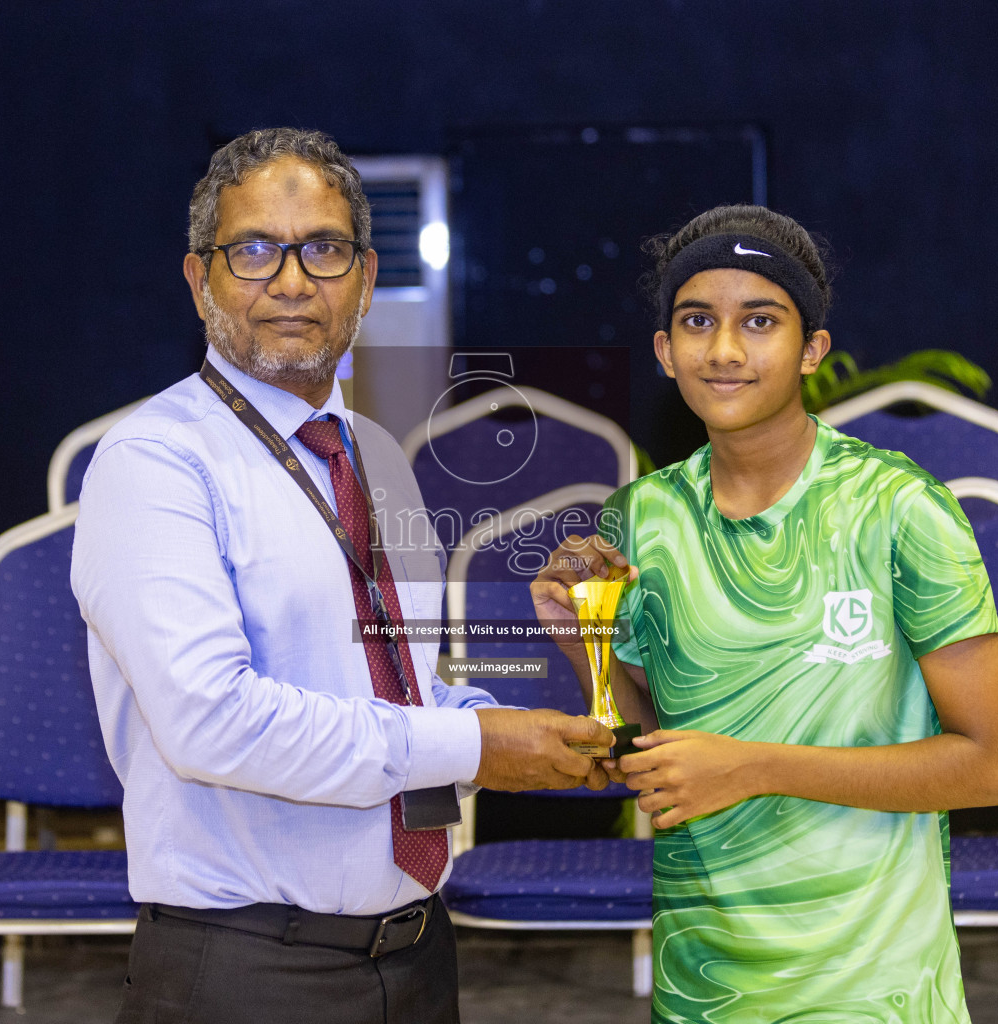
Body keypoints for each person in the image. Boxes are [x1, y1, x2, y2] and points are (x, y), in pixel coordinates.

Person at [72, 127, 613, 1024]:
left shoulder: (376, 457)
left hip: (415, 955)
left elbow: (404, 685)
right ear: (199, 280)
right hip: (245, 968)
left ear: (364, 281)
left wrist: (511, 728)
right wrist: (477, 748)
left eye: (322, 250)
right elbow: (213, 723)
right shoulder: (154, 463)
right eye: (254, 251)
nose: (291, 282)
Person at [530, 204, 998, 1022]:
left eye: (760, 321)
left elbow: (995, 765)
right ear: (665, 351)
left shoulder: (902, 509)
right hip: (707, 985)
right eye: (697, 322)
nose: (724, 349)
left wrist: (756, 766)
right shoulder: (641, 520)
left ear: (811, 351)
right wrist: (581, 641)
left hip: (877, 989)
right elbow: (650, 747)